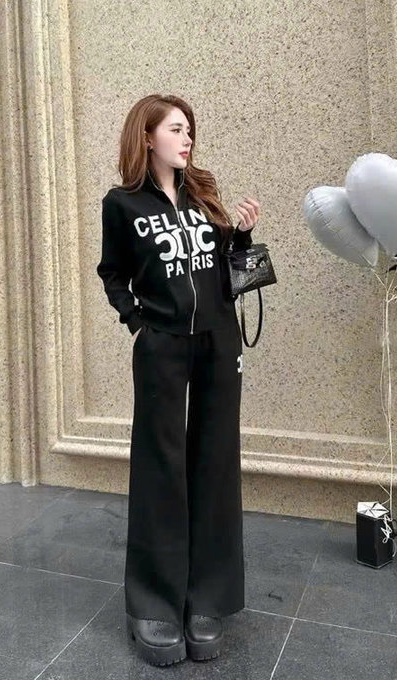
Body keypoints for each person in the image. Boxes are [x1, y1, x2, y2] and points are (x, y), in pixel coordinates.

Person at [96, 94, 260, 666]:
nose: (186, 138)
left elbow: (225, 271)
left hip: (217, 341)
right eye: (175, 129)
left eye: (189, 130)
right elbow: (112, 272)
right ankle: (154, 602)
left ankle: (206, 599)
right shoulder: (122, 204)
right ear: (147, 137)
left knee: (215, 462)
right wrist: (138, 323)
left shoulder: (204, 194)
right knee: (159, 465)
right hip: (162, 345)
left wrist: (241, 235)